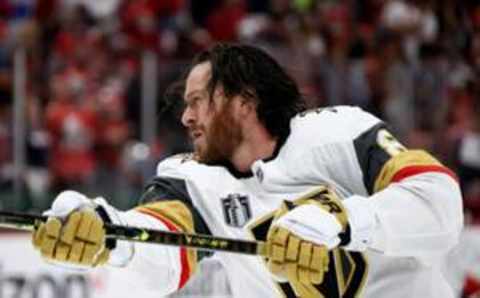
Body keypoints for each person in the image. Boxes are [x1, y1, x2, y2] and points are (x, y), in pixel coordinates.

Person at [31, 43, 463, 298]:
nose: (185, 118)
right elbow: (162, 247)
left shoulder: (339, 132)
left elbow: (437, 201)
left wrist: (341, 221)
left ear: (244, 100)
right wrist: (107, 235)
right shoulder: (191, 181)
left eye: (198, 100)